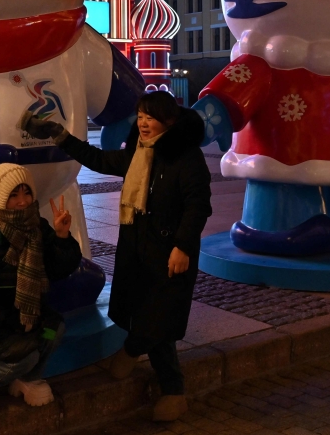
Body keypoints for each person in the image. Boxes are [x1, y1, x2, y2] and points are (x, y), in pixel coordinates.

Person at [23, 91, 212, 423]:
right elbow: (97, 159)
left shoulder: (186, 157)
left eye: (150, 117)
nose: (143, 123)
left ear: (168, 121)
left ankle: (140, 357)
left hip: (169, 253)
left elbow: (198, 206)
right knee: (148, 313)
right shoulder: (138, 154)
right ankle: (171, 389)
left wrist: (182, 246)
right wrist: (61, 136)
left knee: (160, 318)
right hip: (137, 250)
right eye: (140, 116)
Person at [0, 163, 82, 414]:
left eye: (26, 192)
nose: (22, 202)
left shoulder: (36, 227)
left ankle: (27, 379)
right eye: (13, 195)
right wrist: (12, 323)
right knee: (26, 353)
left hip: (26, 321)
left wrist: (62, 237)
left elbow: (58, 268)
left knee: (53, 333)